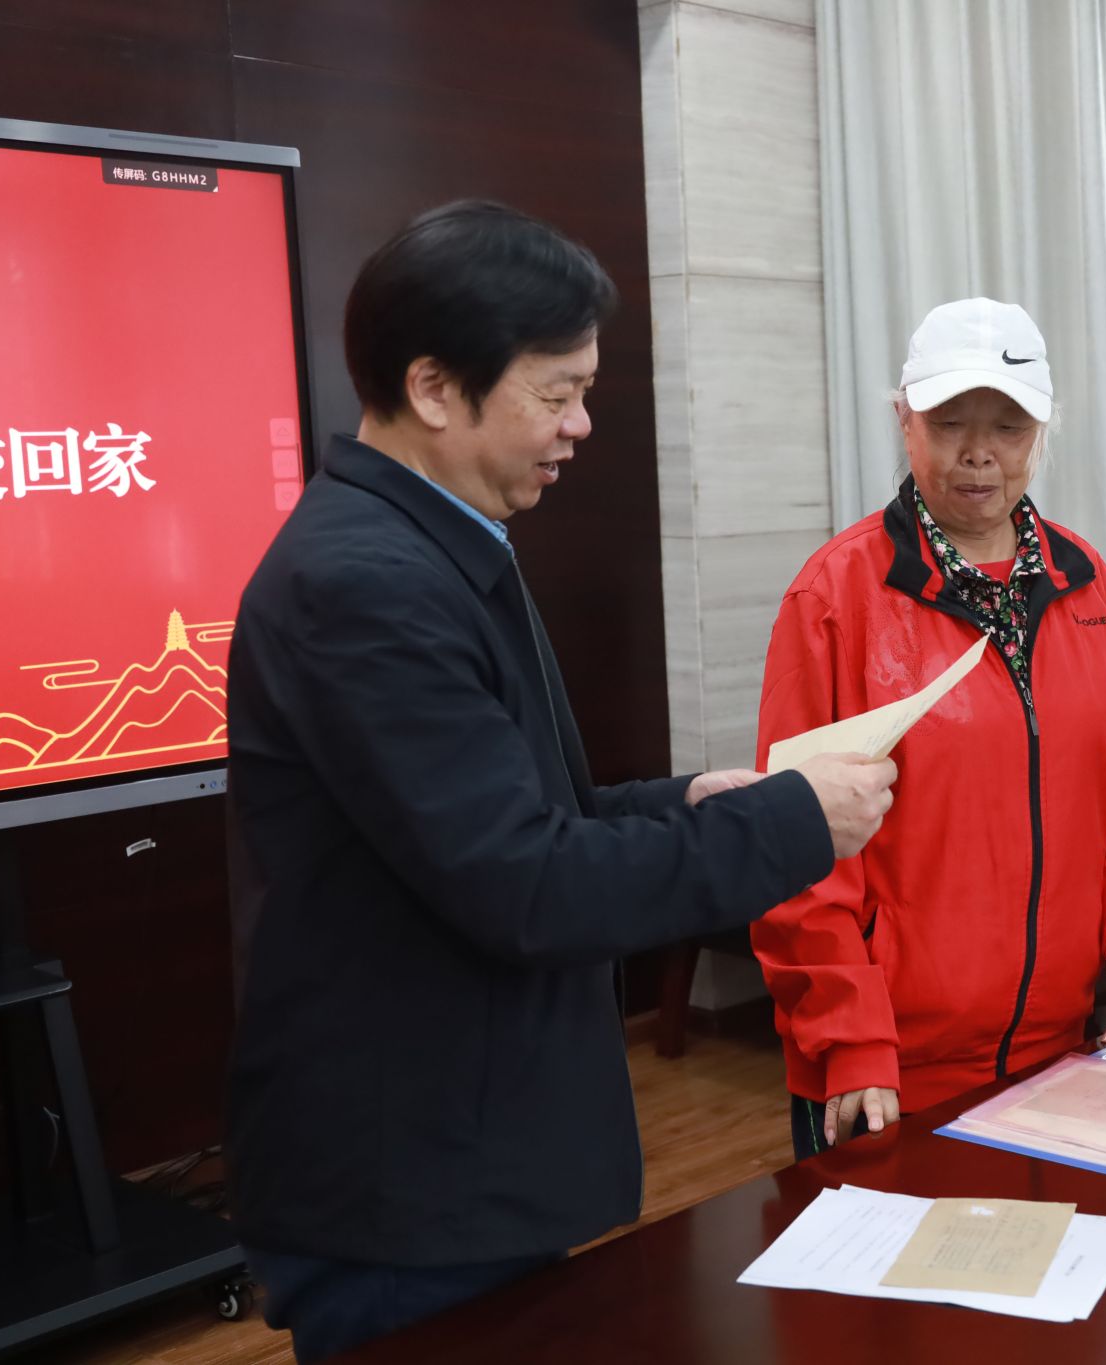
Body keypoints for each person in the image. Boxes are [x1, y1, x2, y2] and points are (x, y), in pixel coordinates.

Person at [223, 200, 896, 1362]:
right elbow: (526, 885)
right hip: (408, 1183)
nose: (580, 424)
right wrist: (792, 823)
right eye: (556, 393)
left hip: (458, 1154)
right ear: (435, 387)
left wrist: (681, 804)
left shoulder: (435, 542)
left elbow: (516, 819)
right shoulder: (365, 583)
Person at [753, 297, 1106, 1158]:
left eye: (1007, 427)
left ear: (1043, 431)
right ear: (904, 420)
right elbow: (795, 847)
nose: (979, 453)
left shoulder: (1089, 589)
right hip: (889, 1067)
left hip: (1068, 1053)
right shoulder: (836, 599)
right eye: (949, 423)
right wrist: (852, 1036)